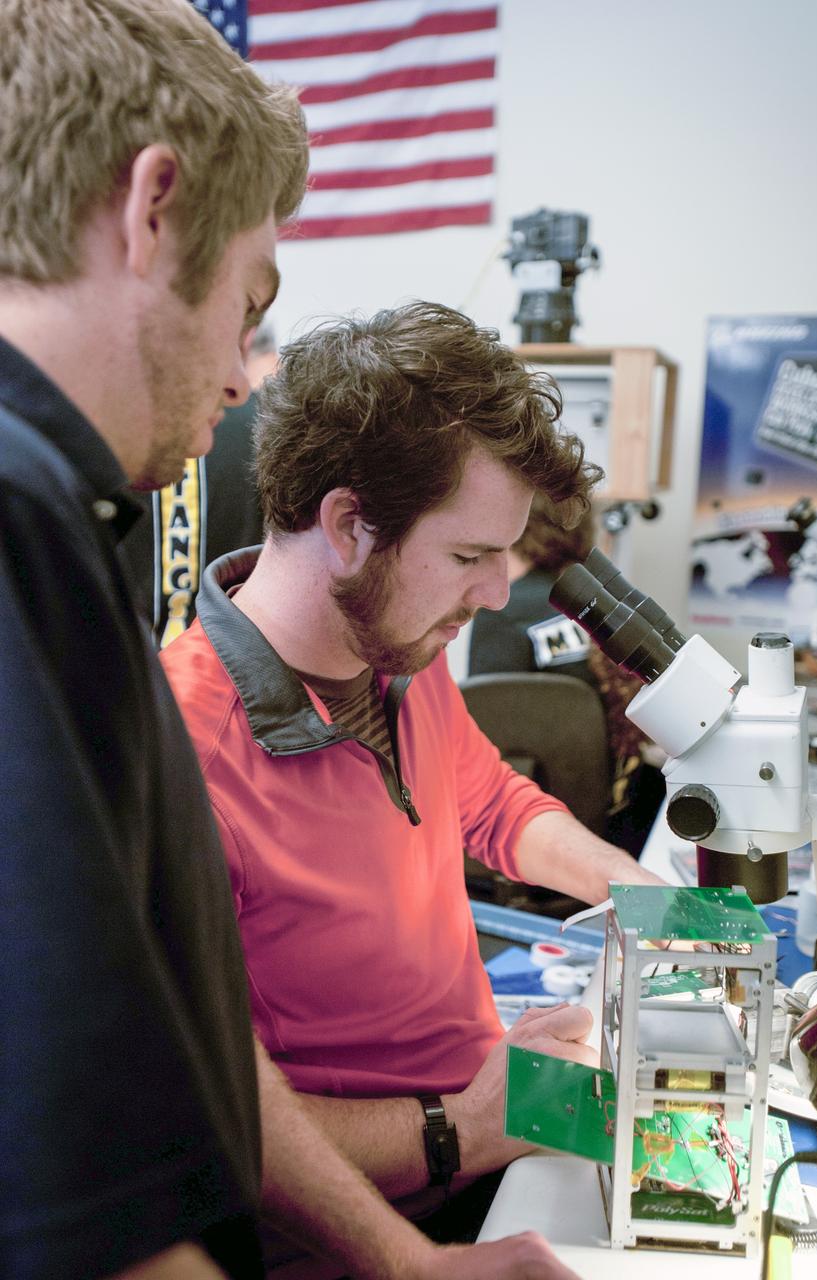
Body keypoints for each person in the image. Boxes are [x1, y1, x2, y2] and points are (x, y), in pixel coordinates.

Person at [0, 4, 584, 1279]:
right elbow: (91, 1176)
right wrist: (445, 1154)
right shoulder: (26, 524)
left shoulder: (72, 522)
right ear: (155, 206)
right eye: (248, 303)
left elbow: (174, 1044)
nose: (241, 374)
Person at [161, 302, 665, 1254]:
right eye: (470, 557)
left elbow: (488, 802)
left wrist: (630, 890)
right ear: (349, 524)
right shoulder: (183, 757)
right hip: (369, 1231)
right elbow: (209, 1126)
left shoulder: (398, 651)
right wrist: (462, 1125)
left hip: (490, 1134)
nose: (491, 595)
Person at [467, 495, 666, 857]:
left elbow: (482, 730)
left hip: (534, 824)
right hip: (624, 814)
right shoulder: (602, 604)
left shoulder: (502, 611)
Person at [120, 326, 275, 648]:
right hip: (226, 676)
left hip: (120, 677)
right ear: (247, 337)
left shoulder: (113, 418)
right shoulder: (268, 430)